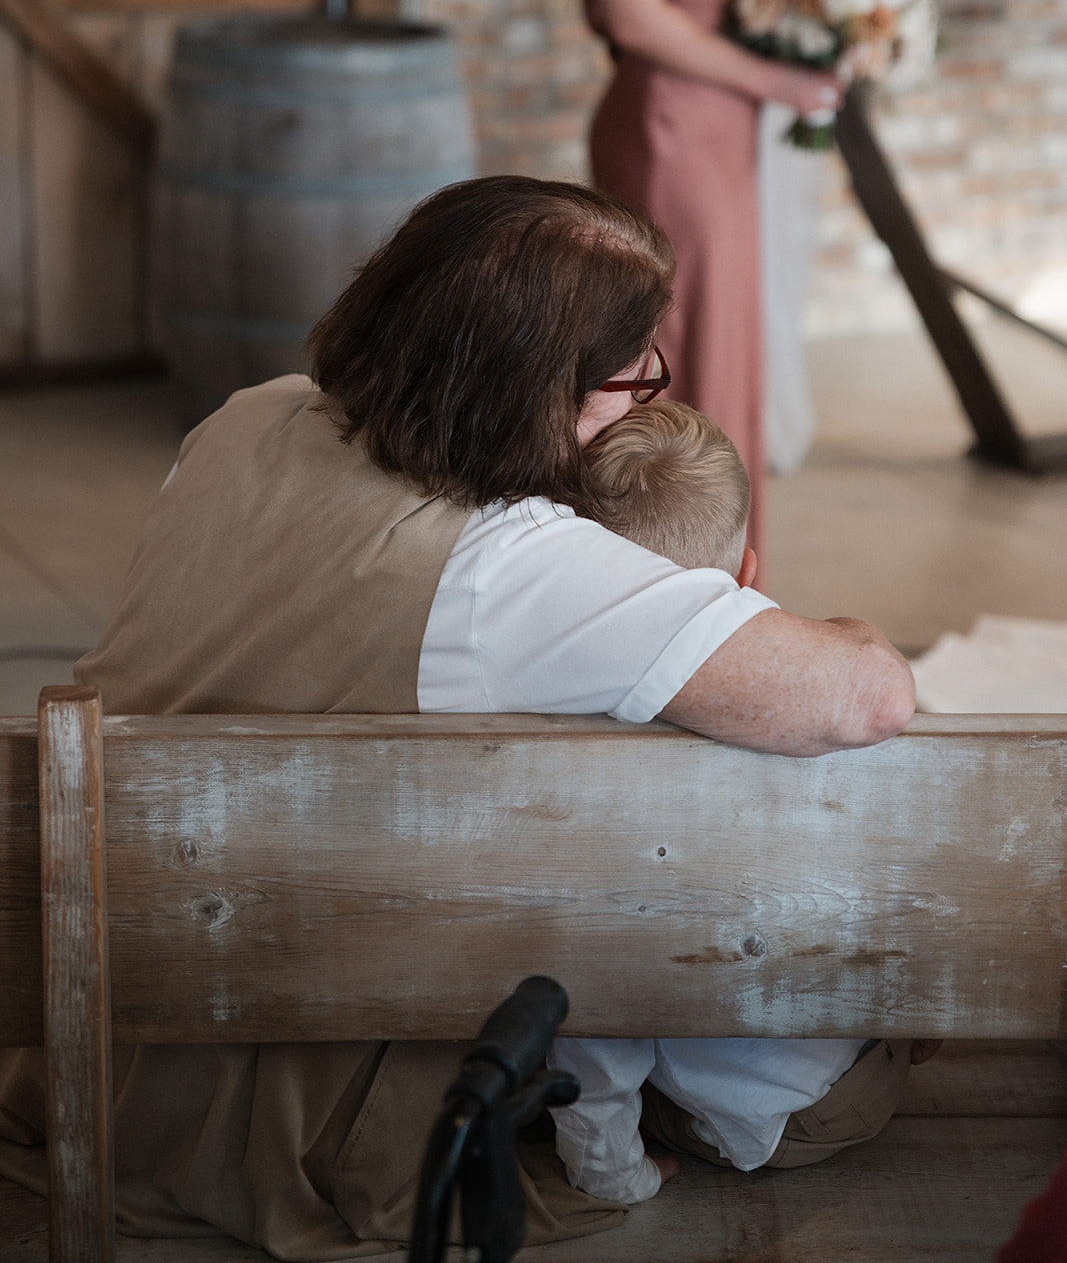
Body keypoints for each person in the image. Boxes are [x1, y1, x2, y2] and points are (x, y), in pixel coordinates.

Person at [0, 176, 913, 1261]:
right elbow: (864, 697)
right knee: (851, 1043)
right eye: (631, 375)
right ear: (546, 392)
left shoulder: (250, 417)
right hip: (295, 1095)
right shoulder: (510, 568)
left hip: (104, 1028)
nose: (638, 399)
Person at [547, 400, 926, 1203]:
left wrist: (612, 1175)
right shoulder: (812, 700)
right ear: (747, 572)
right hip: (823, 1087)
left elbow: (596, 1016)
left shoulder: (569, 745)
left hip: (724, 1098)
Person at [581, 0, 845, 563]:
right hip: (667, 130)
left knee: (722, 341)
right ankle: (665, 591)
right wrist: (773, 82)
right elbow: (629, 11)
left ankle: (725, 589)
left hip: (717, 131)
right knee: (680, 353)